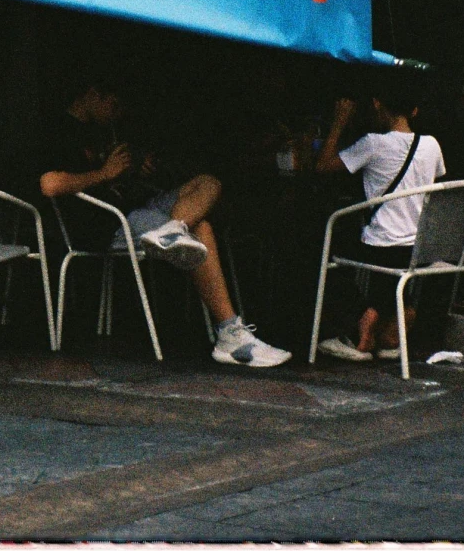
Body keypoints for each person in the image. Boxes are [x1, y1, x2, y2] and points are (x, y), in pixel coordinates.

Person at [37, 74, 291, 368]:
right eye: (115, 105)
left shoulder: (102, 131)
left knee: (208, 182)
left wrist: (136, 169)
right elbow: (50, 185)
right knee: (202, 227)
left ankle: (173, 230)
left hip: (136, 208)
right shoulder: (59, 130)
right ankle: (230, 333)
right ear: (94, 94)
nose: (117, 114)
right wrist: (106, 173)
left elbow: (117, 177)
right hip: (107, 224)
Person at [313, 76, 445, 364]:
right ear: (414, 111)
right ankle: (392, 326)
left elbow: (322, 166)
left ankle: (363, 322)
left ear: (376, 106)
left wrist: (337, 124)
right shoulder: (432, 146)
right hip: (419, 250)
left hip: (381, 248)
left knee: (327, 254)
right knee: (393, 264)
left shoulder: (372, 144)